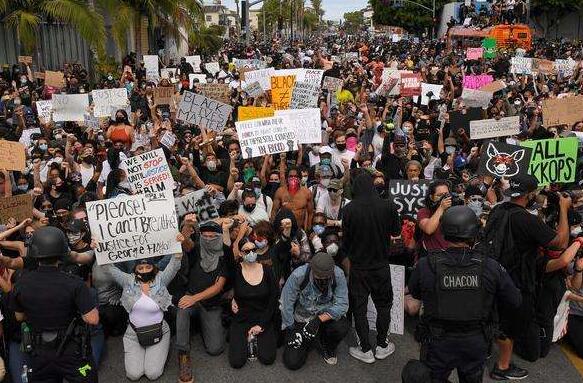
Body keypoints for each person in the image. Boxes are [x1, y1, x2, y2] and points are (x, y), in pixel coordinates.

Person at [409, 206, 522, 382]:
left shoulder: (426, 264)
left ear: (444, 231)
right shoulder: (490, 266)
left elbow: (415, 292)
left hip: (437, 341)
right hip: (475, 341)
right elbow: (515, 300)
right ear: (474, 233)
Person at [480, 174, 571, 380]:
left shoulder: (498, 210)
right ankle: (502, 367)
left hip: (494, 274)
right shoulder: (525, 219)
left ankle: (485, 350)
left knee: (496, 318)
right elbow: (560, 242)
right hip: (517, 281)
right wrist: (564, 209)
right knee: (509, 326)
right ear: (530, 195)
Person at [12, 226, 99, 383]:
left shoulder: (20, 284)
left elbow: (19, 317)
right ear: (62, 252)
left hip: (38, 354)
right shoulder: (75, 284)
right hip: (72, 352)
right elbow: (92, 319)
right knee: (86, 374)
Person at [102, 234, 184, 381]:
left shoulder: (161, 279)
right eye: (141, 267)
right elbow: (109, 268)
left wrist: (178, 243)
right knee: (133, 375)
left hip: (158, 330)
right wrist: (99, 248)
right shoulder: (127, 280)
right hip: (133, 333)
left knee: (152, 374)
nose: (145, 270)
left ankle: (156, 350)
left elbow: (175, 263)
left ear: (153, 267)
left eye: (148, 266)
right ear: (135, 269)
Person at [343, 173, 401, 363]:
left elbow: (346, 241)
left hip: (359, 268)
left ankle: (365, 348)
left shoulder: (350, 209)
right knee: (384, 306)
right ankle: (382, 345)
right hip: (381, 266)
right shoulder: (389, 206)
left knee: (359, 309)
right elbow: (396, 231)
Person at [175, 220, 229, 383]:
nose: (208, 239)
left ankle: (220, 325)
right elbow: (187, 244)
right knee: (182, 309)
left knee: (215, 349)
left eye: (212, 237)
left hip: (211, 304)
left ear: (219, 237)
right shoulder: (198, 247)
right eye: (204, 236)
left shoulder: (225, 253)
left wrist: (194, 298)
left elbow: (218, 287)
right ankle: (183, 354)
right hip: (191, 296)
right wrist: (184, 232)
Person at [280, 252, 349, 369]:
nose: (323, 280)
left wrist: (318, 320)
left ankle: (327, 345)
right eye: (319, 277)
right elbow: (286, 303)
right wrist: (291, 329)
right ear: (312, 269)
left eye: (326, 278)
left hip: (325, 317)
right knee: (292, 362)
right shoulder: (298, 275)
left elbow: (342, 305)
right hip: (302, 317)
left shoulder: (338, 274)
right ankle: (309, 341)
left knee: (342, 326)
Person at [229, 238, 278, 368]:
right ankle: (247, 337)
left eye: (253, 250)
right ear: (240, 253)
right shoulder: (235, 270)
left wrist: (261, 325)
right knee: (236, 362)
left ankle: (254, 336)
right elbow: (225, 287)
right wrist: (232, 299)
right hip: (242, 317)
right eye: (247, 251)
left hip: (263, 316)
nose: (251, 253)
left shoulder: (267, 270)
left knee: (268, 358)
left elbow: (274, 298)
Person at [418, 180, 452, 253]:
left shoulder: (454, 211)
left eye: (446, 194)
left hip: (451, 257)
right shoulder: (424, 212)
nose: (444, 198)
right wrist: (441, 208)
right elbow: (429, 229)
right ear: (431, 197)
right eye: (439, 195)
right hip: (433, 257)